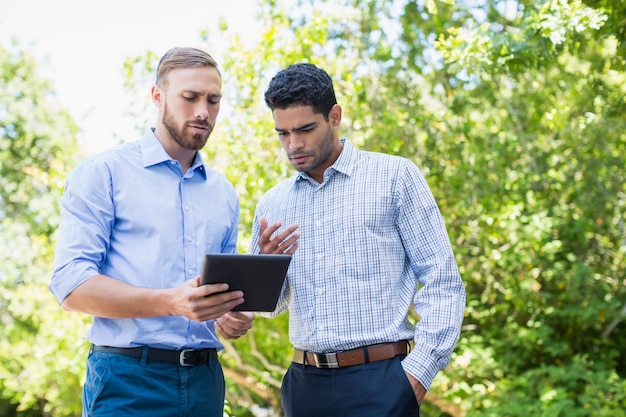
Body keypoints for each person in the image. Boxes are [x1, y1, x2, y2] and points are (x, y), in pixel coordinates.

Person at [49, 47, 260, 417]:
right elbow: (70, 284)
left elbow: (219, 299)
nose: (203, 112)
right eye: (190, 97)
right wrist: (169, 301)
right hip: (126, 382)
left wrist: (232, 317)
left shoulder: (223, 192)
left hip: (206, 382)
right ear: (157, 97)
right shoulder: (104, 173)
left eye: (213, 100)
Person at [249, 63, 466, 417]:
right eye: (283, 133)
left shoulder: (395, 177)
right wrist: (267, 268)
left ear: (334, 116)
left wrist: (417, 375)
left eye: (305, 129)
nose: (294, 144)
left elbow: (443, 281)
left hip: (382, 382)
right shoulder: (273, 203)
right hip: (303, 387)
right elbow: (269, 306)